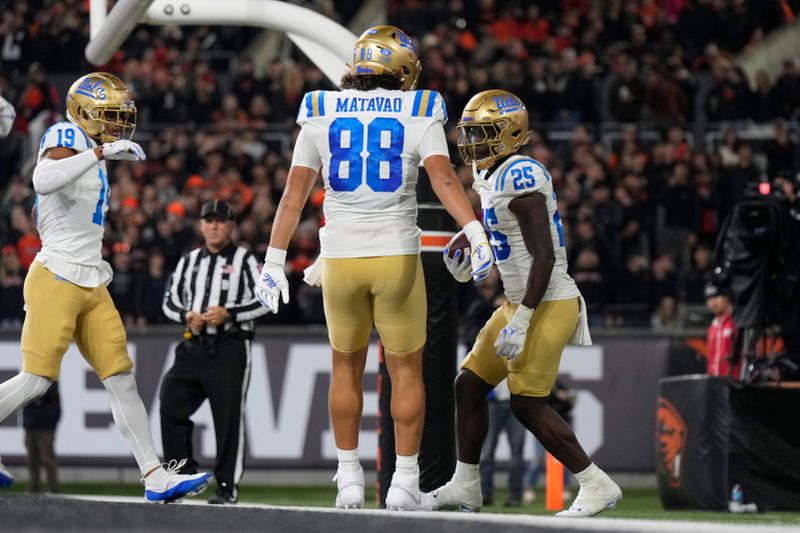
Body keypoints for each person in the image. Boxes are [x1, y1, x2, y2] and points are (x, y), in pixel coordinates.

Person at [253, 26, 494, 511]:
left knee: (344, 367)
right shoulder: (418, 107)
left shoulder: (321, 109)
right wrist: (474, 231)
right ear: (402, 69)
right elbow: (443, 179)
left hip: (339, 258)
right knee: (406, 371)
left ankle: (348, 480)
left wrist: (273, 261)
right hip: (396, 257)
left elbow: (293, 196)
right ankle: (405, 481)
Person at [0, 72, 210, 502]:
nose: (116, 125)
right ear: (83, 113)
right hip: (56, 274)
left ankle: (154, 475)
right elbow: (41, 180)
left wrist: (99, 153)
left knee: (121, 379)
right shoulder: (65, 133)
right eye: (109, 116)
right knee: (37, 380)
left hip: (92, 279)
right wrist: (97, 151)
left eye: (119, 117)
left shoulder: (93, 151)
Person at [428, 89, 621, 517]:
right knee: (469, 384)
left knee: (526, 403)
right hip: (520, 300)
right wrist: (474, 247)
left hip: (547, 299)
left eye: (483, 132)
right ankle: (467, 485)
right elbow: (505, 236)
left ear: (510, 135)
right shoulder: (490, 174)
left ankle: (595, 484)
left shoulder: (521, 174)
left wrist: (524, 318)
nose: (472, 141)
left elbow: (545, 256)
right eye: (471, 132)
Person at [161, 199, 270, 505]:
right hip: (192, 345)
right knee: (170, 404)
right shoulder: (189, 260)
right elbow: (169, 301)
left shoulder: (246, 260)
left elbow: (267, 298)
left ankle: (227, 486)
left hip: (229, 346)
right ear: (200, 225)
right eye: (208, 221)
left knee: (228, 418)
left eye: (220, 221)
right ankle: (183, 476)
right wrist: (186, 315)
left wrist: (230, 313)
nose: (213, 226)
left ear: (231, 226)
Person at [478, 379, 527, 507]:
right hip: (492, 402)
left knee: (517, 452)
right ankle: (485, 494)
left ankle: (515, 496)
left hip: (517, 400)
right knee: (487, 451)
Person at [23, 381, 61, 493]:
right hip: (30, 425)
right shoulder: (28, 380)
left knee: (47, 458)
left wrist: (52, 422)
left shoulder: (51, 382)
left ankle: (52, 488)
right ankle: (34, 487)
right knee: (32, 458)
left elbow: (50, 396)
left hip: (46, 427)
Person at [705, 283, 739, 378]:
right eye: (709, 299)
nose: (712, 303)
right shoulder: (713, 327)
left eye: (716, 297)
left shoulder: (737, 322)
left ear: (727, 297)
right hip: (715, 382)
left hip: (734, 381)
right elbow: (711, 358)